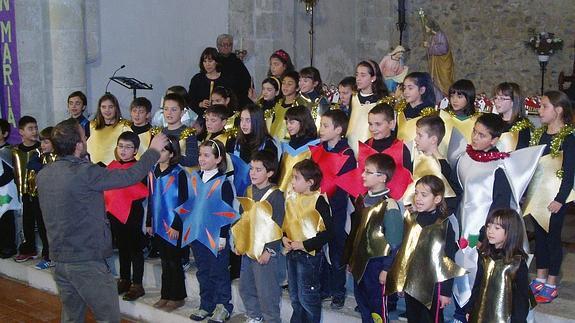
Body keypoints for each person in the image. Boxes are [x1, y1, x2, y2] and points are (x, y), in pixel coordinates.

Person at [36, 118, 168, 322]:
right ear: (79, 144)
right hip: (86, 261)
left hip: (61, 259)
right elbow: (129, 177)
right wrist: (153, 150)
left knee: (72, 317)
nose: (87, 137)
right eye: (83, 135)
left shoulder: (44, 174)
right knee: (108, 318)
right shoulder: (85, 172)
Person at [386, 175, 464, 323]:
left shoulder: (444, 225)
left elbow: (448, 260)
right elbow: (404, 252)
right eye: (416, 193)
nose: (418, 198)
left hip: (434, 287)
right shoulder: (411, 219)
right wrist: (401, 280)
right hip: (411, 283)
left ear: (437, 199)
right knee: (413, 317)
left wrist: (446, 292)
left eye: (424, 195)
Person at [523, 90, 575, 304]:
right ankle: (541, 276)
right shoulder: (540, 134)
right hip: (538, 196)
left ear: (559, 110)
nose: (539, 110)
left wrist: (560, 200)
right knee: (540, 239)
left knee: (553, 239)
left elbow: (570, 173)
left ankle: (552, 281)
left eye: (544, 106)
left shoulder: (569, 138)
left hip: (555, 199)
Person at [345, 153, 403, 322]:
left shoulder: (389, 205)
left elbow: (395, 242)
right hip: (360, 264)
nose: (363, 175)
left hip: (377, 265)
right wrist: (351, 259)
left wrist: (386, 269)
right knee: (363, 305)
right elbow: (356, 233)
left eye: (368, 172)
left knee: (378, 310)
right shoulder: (361, 200)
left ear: (382, 178)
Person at [232, 151, 285, 323]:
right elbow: (243, 219)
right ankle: (254, 316)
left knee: (267, 292)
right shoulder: (248, 190)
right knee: (246, 287)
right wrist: (239, 242)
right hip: (249, 249)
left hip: (265, 254)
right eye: (251, 169)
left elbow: (278, 224)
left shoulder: (276, 195)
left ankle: (271, 319)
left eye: (258, 169)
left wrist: (270, 250)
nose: (252, 173)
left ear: (269, 173)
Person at [310, 109, 356, 309]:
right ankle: (323, 287)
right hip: (318, 207)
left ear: (339, 130)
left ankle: (338, 291)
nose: (322, 129)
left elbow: (346, 185)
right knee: (320, 248)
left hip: (337, 209)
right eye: (321, 125)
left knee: (337, 251)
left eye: (326, 126)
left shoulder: (346, 153)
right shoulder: (318, 149)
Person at [188, 140, 236, 323]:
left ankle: (223, 306)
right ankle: (206, 305)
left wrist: (223, 236)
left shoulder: (223, 182)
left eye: (207, 155)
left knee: (218, 271)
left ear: (218, 159)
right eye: (200, 154)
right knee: (203, 271)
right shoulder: (194, 178)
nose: (202, 159)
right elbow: (189, 206)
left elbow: (226, 211)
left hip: (215, 236)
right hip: (197, 234)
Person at [282, 159, 332, 323]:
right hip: (292, 254)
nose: (292, 181)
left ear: (310, 182)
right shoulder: (291, 198)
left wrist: (304, 245)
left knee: (308, 297)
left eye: (296, 178)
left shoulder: (319, 201)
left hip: (309, 257)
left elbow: (327, 233)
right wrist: (284, 238)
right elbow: (286, 223)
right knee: (295, 296)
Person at [464, 209, 531, 323]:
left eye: (497, 228)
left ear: (510, 231)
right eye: (488, 227)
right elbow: (478, 284)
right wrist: (470, 308)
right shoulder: (485, 255)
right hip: (481, 314)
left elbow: (521, 297)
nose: (490, 231)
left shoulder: (517, 262)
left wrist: (518, 319)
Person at [104, 132, 148, 301]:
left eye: (128, 147)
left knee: (135, 249)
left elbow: (144, 192)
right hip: (115, 213)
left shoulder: (139, 168)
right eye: (121, 146)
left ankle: (137, 284)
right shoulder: (112, 166)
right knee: (122, 248)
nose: (123, 150)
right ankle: (124, 279)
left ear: (135, 150)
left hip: (133, 213)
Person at [146, 135, 188, 313]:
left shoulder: (179, 173)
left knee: (174, 261)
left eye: (163, 150)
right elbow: (150, 197)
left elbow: (184, 202)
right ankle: (165, 294)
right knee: (164, 261)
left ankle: (177, 296)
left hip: (172, 225)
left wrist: (177, 225)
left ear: (172, 154)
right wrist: (149, 222)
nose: (159, 153)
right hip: (158, 223)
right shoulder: (153, 170)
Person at [336, 103, 412, 201]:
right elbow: (361, 173)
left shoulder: (401, 149)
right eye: (370, 124)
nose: (372, 129)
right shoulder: (367, 145)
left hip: (393, 200)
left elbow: (406, 180)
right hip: (368, 198)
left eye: (378, 124)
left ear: (391, 124)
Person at [402, 115, 461, 215]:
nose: (415, 139)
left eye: (420, 135)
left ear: (433, 139)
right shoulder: (417, 160)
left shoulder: (441, 167)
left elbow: (451, 199)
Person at [12, 116, 43, 263]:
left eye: (36, 128)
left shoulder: (41, 149)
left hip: (39, 192)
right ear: (21, 132)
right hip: (23, 192)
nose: (35, 131)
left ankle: (48, 252)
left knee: (42, 221)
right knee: (27, 221)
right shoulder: (15, 151)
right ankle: (28, 248)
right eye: (30, 128)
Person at [26, 126, 57, 269]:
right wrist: (45, 167)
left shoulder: (60, 155)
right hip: (39, 196)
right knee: (43, 227)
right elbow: (30, 164)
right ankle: (47, 255)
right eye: (42, 142)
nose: (43, 145)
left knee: (54, 228)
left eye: (46, 142)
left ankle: (56, 256)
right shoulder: (38, 154)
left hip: (55, 198)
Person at [346, 60, 388, 155]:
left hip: (371, 148)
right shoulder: (354, 97)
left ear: (373, 78)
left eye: (363, 75)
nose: (358, 79)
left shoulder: (381, 100)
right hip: (351, 146)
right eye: (357, 75)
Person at [277, 106, 320, 192]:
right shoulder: (285, 145)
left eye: (292, 122)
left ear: (302, 122)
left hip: (301, 195)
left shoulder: (315, 146)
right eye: (287, 122)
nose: (288, 126)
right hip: (281, 190)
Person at [86, 93, 132, 166]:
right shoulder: (91, 125)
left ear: (116, 108)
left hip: (116, 171)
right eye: (103, 107)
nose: (107, 110)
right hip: (93, 170)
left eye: (110, 107)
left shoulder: (125, 126)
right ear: (99, 109)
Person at [189, 47, 233, 118]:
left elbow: (232, 100)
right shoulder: (197, 79)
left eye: (210, 61)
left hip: (221, 116)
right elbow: (190, 100)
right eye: (205, 61)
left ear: (217, 62)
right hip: (200, 117)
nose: (207, 64)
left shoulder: (226, 79)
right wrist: (200, 104)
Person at [160, 92, 199, 167]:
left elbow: (192, 160)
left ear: (182, 112)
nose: (169, 113)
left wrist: (170, 156)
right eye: (166, 109)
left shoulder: (188, 133)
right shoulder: (161, 132)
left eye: (174, 110)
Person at [493, 82, 532, 152]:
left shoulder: (522, 125)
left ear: (514, 101)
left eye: (502, 98)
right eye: (496, 98)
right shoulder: (494, 121)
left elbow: (521, 151)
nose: (496, 101)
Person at [216, 34, 252, 108]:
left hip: (237, 99)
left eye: (229, 45)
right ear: (218, 46)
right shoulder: (214, 61)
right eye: (223, 44)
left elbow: (246, 80)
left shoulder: (237, 61)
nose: (226, 47)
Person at [0, 119, 18, 259]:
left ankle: (9, 246)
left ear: (5, 133)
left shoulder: (8, 150)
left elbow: (10, 172)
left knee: (6, 218)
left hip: (6, 189)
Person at [268, 71, 305, 140]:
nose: (285, 86)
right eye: (283, 83)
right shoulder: (277, 104)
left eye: (289, 84)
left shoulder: (298, 107)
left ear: (297, 88)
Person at [423, 17, 454, 97]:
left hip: (443, 64)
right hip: (437, 64)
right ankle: (438, 102)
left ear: (431, 28)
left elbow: (444, 49)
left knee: (445, 82)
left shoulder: (440, 35)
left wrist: (429, 46)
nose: (426, 30)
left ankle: (446, 99)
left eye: (427, 28)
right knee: (436, 83)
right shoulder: (434, 36)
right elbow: (432, 51)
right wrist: (428, 48)